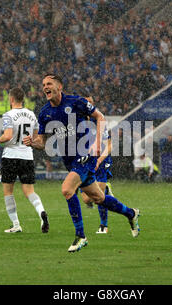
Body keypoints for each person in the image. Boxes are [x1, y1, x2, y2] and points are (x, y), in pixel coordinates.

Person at [23, 74, 140, 252]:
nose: (45, 87)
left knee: (67, 189)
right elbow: (42, 142)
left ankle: (81, 236)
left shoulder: (75, 102)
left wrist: (96, 142)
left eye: (49, 83)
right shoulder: (45, 113)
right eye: (43, 84)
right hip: (70, 161)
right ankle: (131, 213)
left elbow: (100, 117)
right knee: (98, 198)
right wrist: (33, 143)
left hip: (86, 154)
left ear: (59, 86)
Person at [0, 87, 49, 234]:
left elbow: (7, 136)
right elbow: (36, 139)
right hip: (27, 156)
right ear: (23, 99)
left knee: (8, 192)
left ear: (11, 99)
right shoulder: (32, 115)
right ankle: (41, 212)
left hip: (11, 156)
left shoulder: (8, 115)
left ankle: (16, 224)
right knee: (29, 191)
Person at [78, 94, 113, 234]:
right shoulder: (76, 121)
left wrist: (99, 160)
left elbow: (109, 145)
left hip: (100, 160)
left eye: (91, 103)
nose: (89, 106)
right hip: (85, 161)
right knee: (87, 199)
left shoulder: (99, 120)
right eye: (86, 103)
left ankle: (103, 225)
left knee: (99, 198)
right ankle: (105, 191)